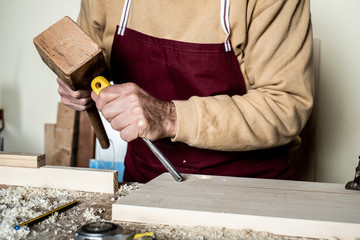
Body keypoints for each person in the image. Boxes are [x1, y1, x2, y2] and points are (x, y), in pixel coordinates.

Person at [57, 0, 314, 183]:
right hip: (145, 182)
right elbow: (87, 57)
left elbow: (285, 107)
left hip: (248, 188)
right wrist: (82, 81)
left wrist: (169, 117)